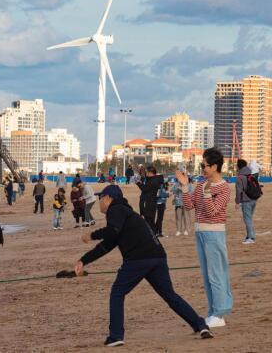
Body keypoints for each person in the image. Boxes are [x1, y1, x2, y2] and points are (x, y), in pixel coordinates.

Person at [74, 185, 213, 347]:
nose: (99, 202)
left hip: (138, 258)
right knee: (170, 296)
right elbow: (107, 245)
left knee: (117, 293)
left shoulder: (116, 209)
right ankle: (201, 325)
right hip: (157, 256)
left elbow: (111, 231)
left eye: (100, 198)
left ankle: (116, 336)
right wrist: (84, 260)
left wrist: (91, 235)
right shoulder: (126, 214)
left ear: (108, 198)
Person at [177, 147, 232, 328]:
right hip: (200, 232)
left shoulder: (224, 188)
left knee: (217, 273)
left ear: (214, 167)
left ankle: (220, 313)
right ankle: (213, 312)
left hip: (214, 233)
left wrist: (207, 193)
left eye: (204, 165)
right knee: (207, 275)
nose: (202, 169)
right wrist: (185, 187)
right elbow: (189, 206)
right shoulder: (200, 184)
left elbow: (212, 211)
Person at [235, 159, 258, 244]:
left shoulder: (240, 177)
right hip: (254, 199)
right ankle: (249, 236)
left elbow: (238, 191)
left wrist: (237, 202)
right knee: (249, 219)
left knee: (247, 219)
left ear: (239, 166)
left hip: (246, 201)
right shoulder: (250, 175)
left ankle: (251, 238)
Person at [136, 166, 163, 234]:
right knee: (149, 220)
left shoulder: (154, 181)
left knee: (149, 221)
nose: (146, 173)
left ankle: (153, 234)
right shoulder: (153, 179)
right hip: (150, 203)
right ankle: (153, 234)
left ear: (150, 173)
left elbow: (145, 189)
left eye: (147, 172)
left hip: (150, 203)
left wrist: (138, 183)